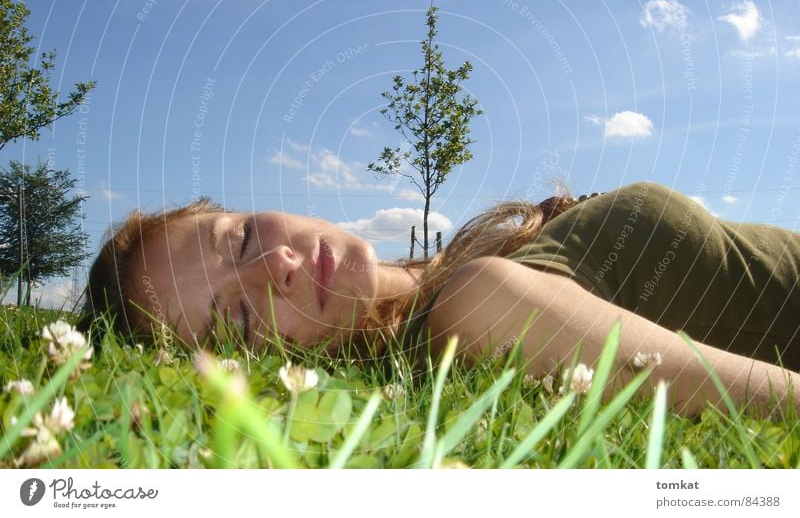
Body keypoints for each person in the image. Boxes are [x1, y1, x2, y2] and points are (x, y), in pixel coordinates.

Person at [77, 181, 800, 417]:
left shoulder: (451, 265)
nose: (276, 264)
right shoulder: (474, 305)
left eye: (236, 240)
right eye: (237, 314)